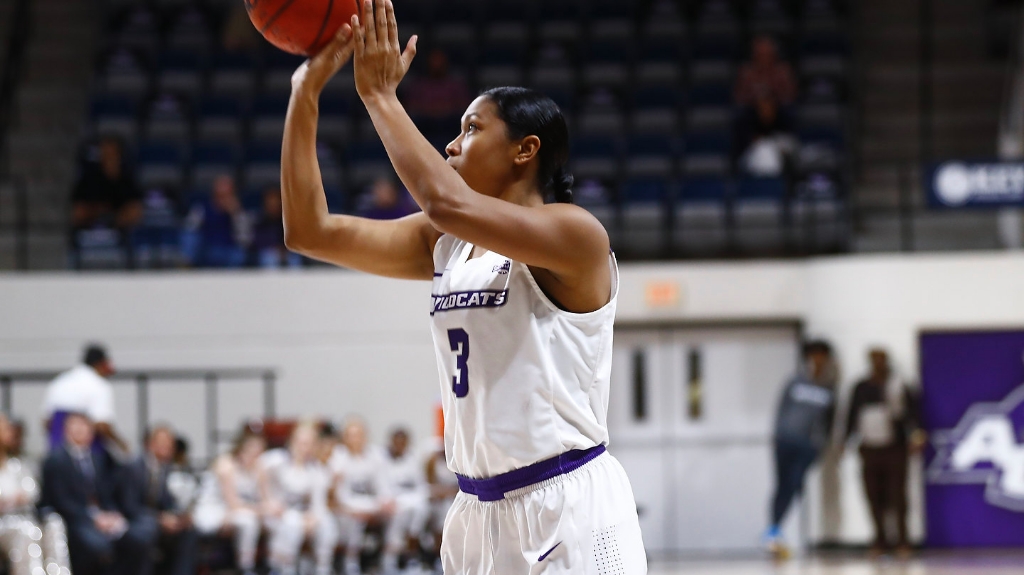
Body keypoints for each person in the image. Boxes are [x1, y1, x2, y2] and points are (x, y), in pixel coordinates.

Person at [280, 3, 647, 573]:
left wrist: (379, 96)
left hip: (565, 500)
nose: (451, 146)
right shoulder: (446, 242)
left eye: (471, 129)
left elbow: (444, 202)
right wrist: (304, 94)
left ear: (525, 149)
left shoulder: (575, 235)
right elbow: (309, 232)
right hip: (477, 511)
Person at [40, 412, 156, 575]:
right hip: (75, 519)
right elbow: (60, 501)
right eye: (75, 425)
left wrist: (112, 514)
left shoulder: (98, 458)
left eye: (84, 426)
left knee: (139, 540)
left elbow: (108, 492)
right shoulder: (56, 460)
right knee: (98, 546)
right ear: (66, 430)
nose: (80, 430)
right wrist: (94, 518)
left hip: (102, 517)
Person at [844, 348, 926, 559]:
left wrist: (916, 436)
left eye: (881, 360)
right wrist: (846, 440)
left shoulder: (898, 385)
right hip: (869, 448)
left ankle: (902, 540)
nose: (878, 364)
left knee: (897, 495)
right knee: (873, 495)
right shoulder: (861, 387)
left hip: (894, 447)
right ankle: (880, 539)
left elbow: (913, 415)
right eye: (874, 360)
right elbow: (851, 414)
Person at [763, 340, 837, 558]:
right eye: (814, 355)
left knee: (796, 483)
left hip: (808, 446)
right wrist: (778, 435)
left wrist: (819, 446)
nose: (817, 360)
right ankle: (774, 530)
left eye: (821, 355)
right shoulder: (795, 382)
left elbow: (828, 423)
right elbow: (781, 410)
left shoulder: (829, 389)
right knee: (782, 486)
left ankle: (785, 530)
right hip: (785, 440)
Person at [259, 422, 337, 575]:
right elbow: (256, 470)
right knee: (292, 525)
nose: (305, 448)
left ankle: (323, 568)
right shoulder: (276, 460)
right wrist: (267, 499)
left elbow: (319, 502)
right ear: (292, 442)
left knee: (327, 524)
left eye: (309, 444)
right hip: (279, 512)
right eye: (301, 443)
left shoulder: (317, 468)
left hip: (302, 513)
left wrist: (313, 518)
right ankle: (283, 568)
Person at [0, 414, 71, 575]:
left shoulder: (16, 464)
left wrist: (18, 498)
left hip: (24, 516)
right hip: (4, 522)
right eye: (5, 429)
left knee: (54, 523)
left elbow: (33, 492)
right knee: (26, 530)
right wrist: (11, 499)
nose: (10, 433)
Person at [123, 425, 198, 575]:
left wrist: (179, 517)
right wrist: (159, 519)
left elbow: (167, 502)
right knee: (148, 531)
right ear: (150, 444)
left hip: (158, 520)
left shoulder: (167, 468)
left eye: (170, 444)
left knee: (189, 531)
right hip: (134, 519)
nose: (168, 447)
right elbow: (129, 506)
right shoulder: (133, 467)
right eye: (163, 443)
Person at [193, 426, 266, 575]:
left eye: (260, 449)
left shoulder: (258, 467)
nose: (256, 453)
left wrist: (266, 509)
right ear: (241, 447)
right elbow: (233, 503)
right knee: (248, 521)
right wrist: (260, 510)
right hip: (212, 509)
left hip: (234, 509)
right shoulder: (225, 464)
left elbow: (265, 498)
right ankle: (245, 567)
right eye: (252, 448)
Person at [329, 418, 392, 575]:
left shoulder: (376, 454)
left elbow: (383, 485)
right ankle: (351, 560)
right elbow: (339, 493)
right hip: (348, 506)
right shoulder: (338, 456)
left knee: (400, 511)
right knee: (355, 519)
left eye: (359, 434)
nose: (356, 439)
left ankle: (390, 557)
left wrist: (385, 501)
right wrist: (353, 509)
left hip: (371, 503)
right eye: (351, 435)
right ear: (345, 437)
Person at [41, 344, 128, 457]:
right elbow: (102, 426)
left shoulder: (59, 382)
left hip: (57, 452)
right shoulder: (100, 386)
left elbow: (47, 422)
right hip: (88, 456)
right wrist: (120, 444)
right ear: (101, 364)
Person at [70, 137, 143, 236]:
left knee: (134, 211)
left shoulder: (127, 177)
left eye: (111, 153)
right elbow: (79, 201)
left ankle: (118, 236)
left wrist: (113, 216)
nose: (108, 156)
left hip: (117, 219)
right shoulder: (90, 175)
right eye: (105, 152)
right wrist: (98, 209)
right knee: (79, 211)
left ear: (119, 155)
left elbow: (134, 202)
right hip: (94, 216)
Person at [380, 428, 429, 572]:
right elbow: (381, 484)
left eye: (403, 442)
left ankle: (411, 553)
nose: (400, 445)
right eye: (397, 442)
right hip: (392, 498)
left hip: (411, 498)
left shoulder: (413, 458)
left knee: (421, 509)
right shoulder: (382, 458)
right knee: (399, 514)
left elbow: (420, 484)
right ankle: (390, 557)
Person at [181, 174, 252, 268]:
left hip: (229, 250)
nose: (222, 200)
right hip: (207, 249)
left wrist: (236, 215)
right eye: (219, 196)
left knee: (239, 255)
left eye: (226, 196)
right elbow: (189, 228)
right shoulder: (202, 209)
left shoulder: (238, 213)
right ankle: (186, 267)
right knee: (190, 236)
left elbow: (245, 240)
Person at [401, 48, 471, 134]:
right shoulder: (419, 85)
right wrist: (431, 110)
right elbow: (411, 107)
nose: (437, 65)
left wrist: (443, 110)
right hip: (425, 124)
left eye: (439, 61)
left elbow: (464, 106)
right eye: (434, 61)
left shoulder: (455, 85)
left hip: (449, 123)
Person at [734, 36, 798, 108]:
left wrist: (773, 93)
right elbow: (739, 97)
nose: (764, 59)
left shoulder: (783, 71)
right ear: (754, 55)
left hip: (779, 108)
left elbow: (791, 96)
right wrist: (755, 96)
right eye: (760, 55)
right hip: (751, 108)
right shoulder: (746, 72)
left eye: (767, 55)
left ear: (774, 55)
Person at [251, 186, 303, 269]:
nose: (273, 204)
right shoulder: (260, 221)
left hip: (287, 252)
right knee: (268, 258)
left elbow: (294, 239)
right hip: (268, 252)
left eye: (275, 201)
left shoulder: (287, 220)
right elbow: (257, 241)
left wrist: (284, 249)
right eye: (270, 202)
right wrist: (274, 248)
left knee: (295, 258)